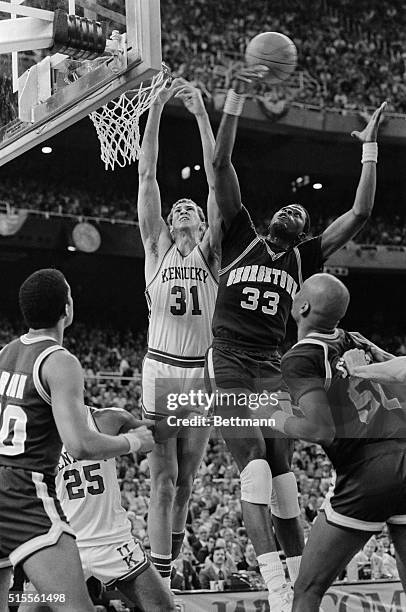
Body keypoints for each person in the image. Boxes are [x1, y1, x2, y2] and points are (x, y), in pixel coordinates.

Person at [207, 61, 386, 607]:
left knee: (285, 481)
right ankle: (277, 587)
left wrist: (368, 149)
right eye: (285, 205)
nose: (292, 209)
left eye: (300, 210)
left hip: (270, 362)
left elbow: (360, 211)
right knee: (257, 472)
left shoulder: (307, 255)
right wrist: (234, 98)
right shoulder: (240, 231)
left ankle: (301, 581)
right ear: (270, 218)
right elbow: (220, 162)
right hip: (231, 359)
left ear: (304, 232)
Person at [0, 269, 154, 612]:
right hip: (25, 496)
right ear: (67, 309)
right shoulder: (59, 360)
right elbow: (80, 445)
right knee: (74, 608)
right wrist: (133, 443)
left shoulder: (4, 354)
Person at [275, 272, 406, 611]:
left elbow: (320, 431)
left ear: (302, 306)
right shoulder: (356, 341)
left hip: (369, 469)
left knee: (307, 588)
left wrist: (272, 417)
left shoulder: (300, 358)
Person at [138, 79, 221, 586]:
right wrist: (153, 111)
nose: (187, 207)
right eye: (179, 208)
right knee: (163, 480)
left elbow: (217, 180)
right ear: (169, 222)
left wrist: (200, 115)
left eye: (193, 208)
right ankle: (160, 583)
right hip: (164, 369)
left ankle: (169, 565)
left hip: (203, 374)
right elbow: (147, 173)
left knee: (188, 481)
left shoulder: (211, 254)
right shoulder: (155, 249)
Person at [54, 405, 174, 612]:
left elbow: (149, 437)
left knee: (164, 607)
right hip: (65, 544)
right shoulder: (36, 433)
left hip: (113, 541)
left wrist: (179, 414)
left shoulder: (108, 418)